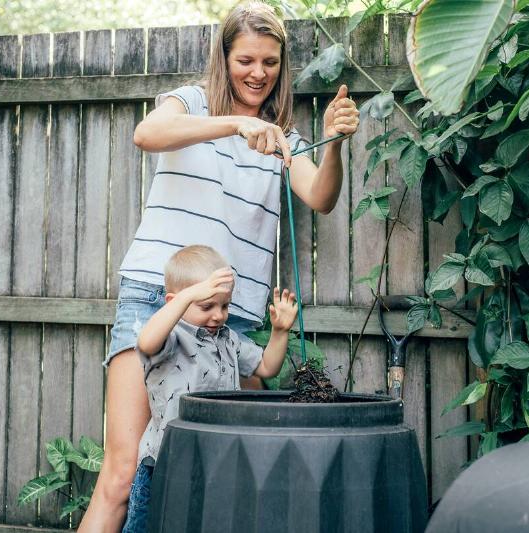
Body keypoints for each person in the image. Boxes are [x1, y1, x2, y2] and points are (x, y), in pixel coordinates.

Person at [78, 2, 359, 531]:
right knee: (122, 475)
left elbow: (320, 196)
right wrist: (232, 124)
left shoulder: (281, 139)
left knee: (223, 478)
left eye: (271, 62)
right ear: (224, 57)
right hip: (157, 303)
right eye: (246, 59)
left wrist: (336, 146)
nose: (258, 73)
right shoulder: (190, 102)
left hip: (231, 322)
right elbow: (147, 135)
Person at [120, 245, 297, 532]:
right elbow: (146, 342)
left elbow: (266, 367)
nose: (219, 316)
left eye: (225, 306)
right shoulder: (171, 337)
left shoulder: (228, 340)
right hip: (165, 461)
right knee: (151, 525)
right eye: (207, 306)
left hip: (217, 460)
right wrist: (189, 295)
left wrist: (280, 332)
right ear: (175, 301)